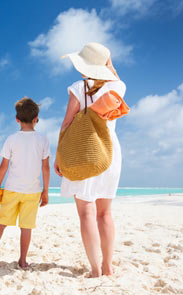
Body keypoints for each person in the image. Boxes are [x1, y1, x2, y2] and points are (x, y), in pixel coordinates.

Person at [54, 42, 126, 278]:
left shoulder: (78, 87)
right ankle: (107, 266)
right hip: (109, 151)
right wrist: (109, 66)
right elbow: (113, 79)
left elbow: (67, 123)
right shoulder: (118, 86)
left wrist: (59, 154)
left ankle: (95, 269)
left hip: (83, 150)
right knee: (104, 213)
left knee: (86, 212)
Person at [0, 97, 50, 269]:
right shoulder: (43, 140)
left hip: (12, 188)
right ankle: (22, 260)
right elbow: (46, 167)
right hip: (33, 191)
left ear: (17, 119)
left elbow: (3, 166)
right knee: (26, 227)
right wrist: (46, 191)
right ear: (36, 119)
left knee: (2, 221)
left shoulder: (11, 139)